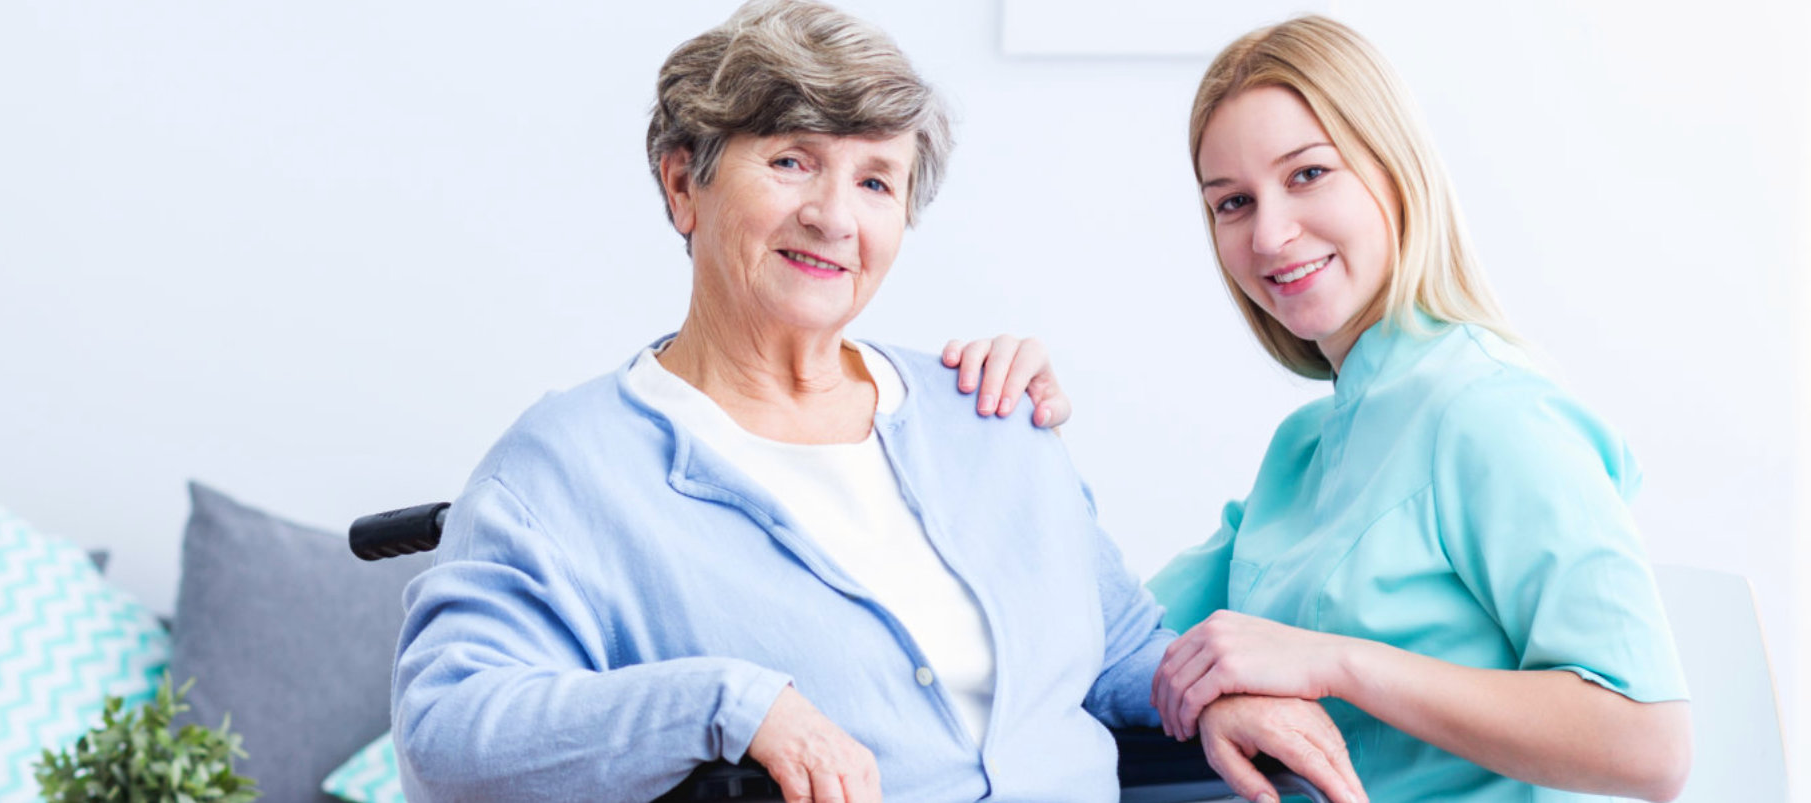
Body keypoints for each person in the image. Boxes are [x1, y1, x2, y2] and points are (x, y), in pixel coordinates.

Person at [389, 2, 1364, 802]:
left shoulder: (987, 411)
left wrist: (1204, 699)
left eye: (876, 180)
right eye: (790, 161)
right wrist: (728, 700)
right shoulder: (564, 470)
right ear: (684, 184)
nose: (834, 215)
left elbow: (1117, 649)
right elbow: (448, 730)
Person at [947, 14, 1692, 803]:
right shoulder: (1304, 449)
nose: (1269, 234)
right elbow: (1110, 649)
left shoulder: (1493, 411)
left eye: (1307, 174)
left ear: (1395, 167)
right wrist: (1010, 442)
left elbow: (1648, 742)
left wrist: (1333, 660)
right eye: (1232, 202)